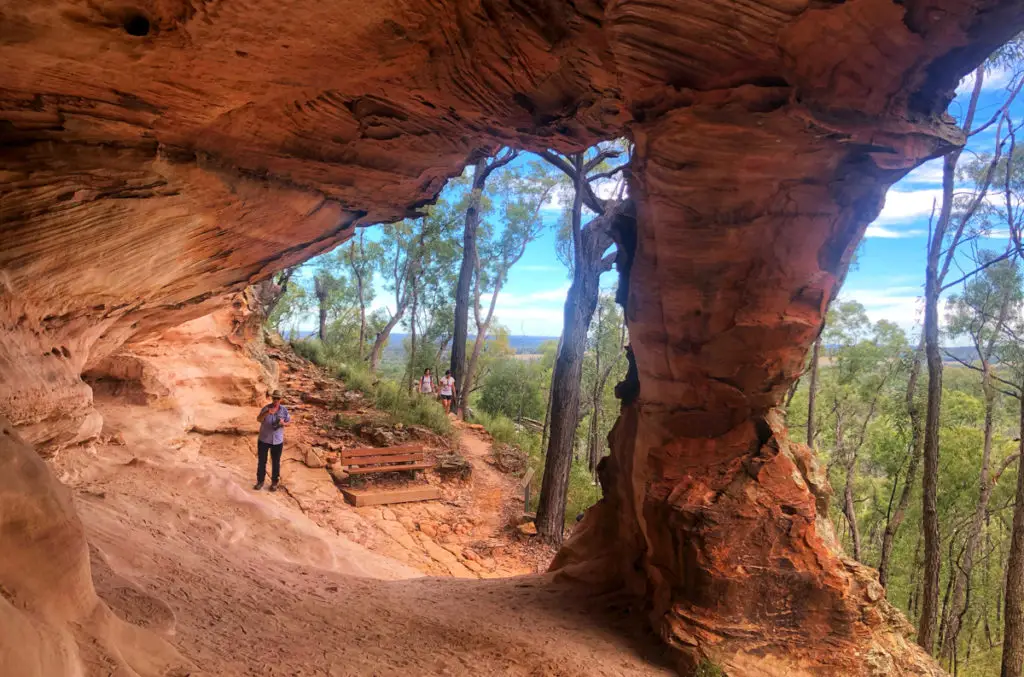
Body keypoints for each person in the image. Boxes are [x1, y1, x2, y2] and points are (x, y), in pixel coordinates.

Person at [255, 389, 290, 491]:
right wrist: (266, 413)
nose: (276, 400)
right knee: (262, 461)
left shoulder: (284, 410)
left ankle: (274, 483)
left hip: (277, 441)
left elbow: (289, 422)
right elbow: (259, 419)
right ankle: (260, 481)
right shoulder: (266, 408)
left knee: (276, 462)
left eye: (278, 398)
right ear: (272, 398)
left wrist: (284, 423)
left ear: (280, 399)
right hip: (264, 439)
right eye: (274, 398)